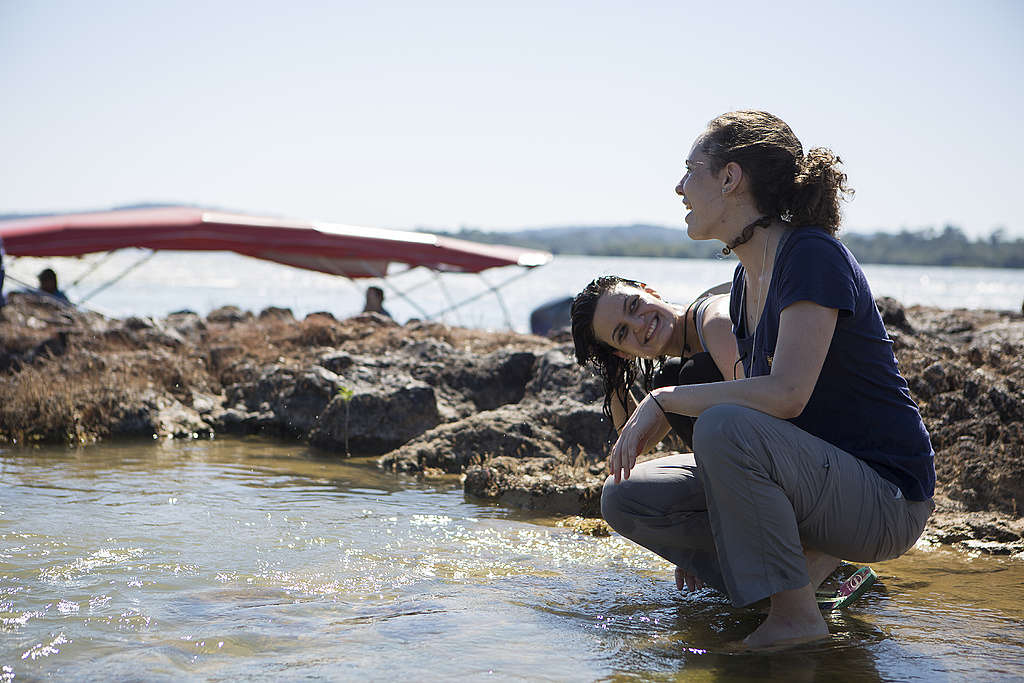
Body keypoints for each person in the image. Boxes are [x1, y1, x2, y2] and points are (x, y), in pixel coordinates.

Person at [594, 111, 935, 650]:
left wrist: (665, 400)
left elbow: (786, 394)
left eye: (690, 171)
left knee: (724, 426)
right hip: (817, 483)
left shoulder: (810, 254)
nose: (679, 187)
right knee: (626, 496)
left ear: (730, 179)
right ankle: (773, 580)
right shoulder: (743, 277)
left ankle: (796, 616)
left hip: (887, 498)